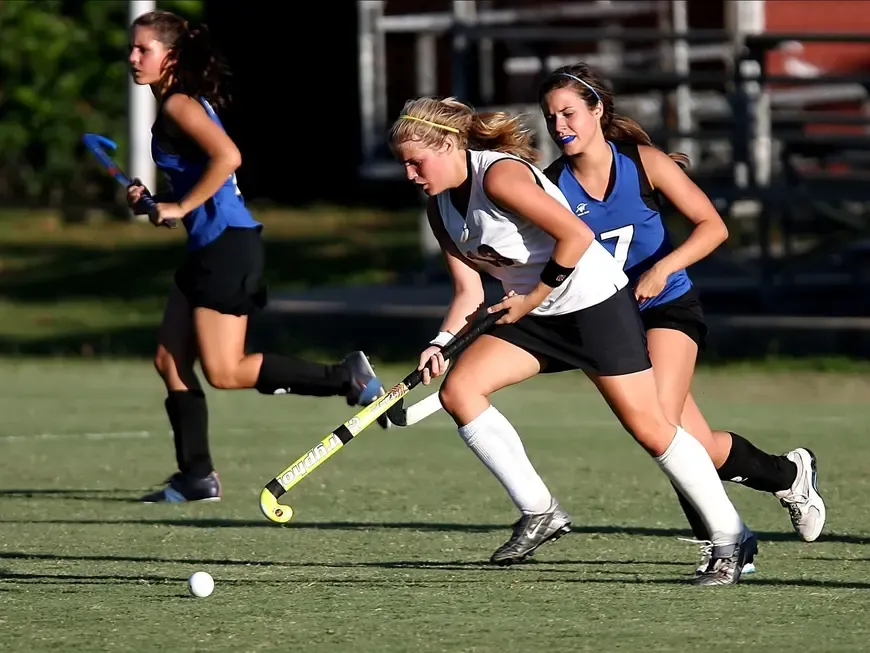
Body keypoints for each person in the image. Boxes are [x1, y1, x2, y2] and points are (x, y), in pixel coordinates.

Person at [390, 96, 756, 586]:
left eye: (417, 162)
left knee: (651, 427)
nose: (411, 174)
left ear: (452, 144)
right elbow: (468, 291)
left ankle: (731, 536)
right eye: (405, 165)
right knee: (460, 391)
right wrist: (441, 341)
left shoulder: (499, 176)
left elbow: (577, 236)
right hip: (536, 312)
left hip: (593, 305)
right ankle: (539, 511)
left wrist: (530, 296)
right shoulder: (441, 209)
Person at [537, 63, 825, 570]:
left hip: (668, 306)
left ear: (597, 110)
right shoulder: (552, 185)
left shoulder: (644, 163)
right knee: (695, 444)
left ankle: (728, 543)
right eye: (551, 116)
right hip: (611, 320)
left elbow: (713, 227)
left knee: (661, 424)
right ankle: (786, 476)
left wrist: (661, 269)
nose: (560, 126)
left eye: (569, 113)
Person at [126, 10, 388, 503]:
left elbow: (229, 158)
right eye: (133, 48)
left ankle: (345, 378)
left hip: (227, 248)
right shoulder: (178, 104)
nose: (133, 57)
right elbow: (203, 176)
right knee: (169, 358)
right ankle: (196, 477)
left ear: (172, 57)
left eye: (144, 49)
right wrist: (156, 201)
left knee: (225, 372)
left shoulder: (180, 104)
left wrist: (179, 205)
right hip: (208, 245)